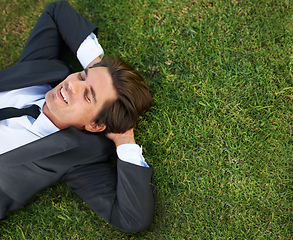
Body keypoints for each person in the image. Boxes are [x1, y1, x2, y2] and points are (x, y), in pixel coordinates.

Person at [0, 0, 155, 232]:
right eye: (82, 77)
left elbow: (133, 219)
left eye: (89, 95)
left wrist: (124, 140)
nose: (72, 85)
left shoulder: (78, 157)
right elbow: (56, 11)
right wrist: (95, 65)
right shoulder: (45, 71)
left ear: (94, 125)